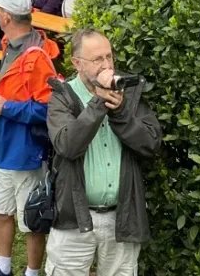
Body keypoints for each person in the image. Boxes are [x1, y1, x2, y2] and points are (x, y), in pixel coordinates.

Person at [44, 29, 162, 276]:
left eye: (109, 56)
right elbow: (67, 145)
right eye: (97, 59)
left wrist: (120, 113)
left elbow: (151, 144)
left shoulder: (128, 92)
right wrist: (99, 104)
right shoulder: (62, 96)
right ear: (77, 63)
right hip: (74, 216)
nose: (106, 65)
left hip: (121, 216)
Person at [0, 0, 60, 276]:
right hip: (6, 147)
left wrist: (7, 108)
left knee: (31, 218)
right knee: (2, 209)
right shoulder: (9, 44)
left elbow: (50, 109)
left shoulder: (37, 57)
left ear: (6, 18)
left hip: (26, 151)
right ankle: (3, 267)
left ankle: (33, 271)